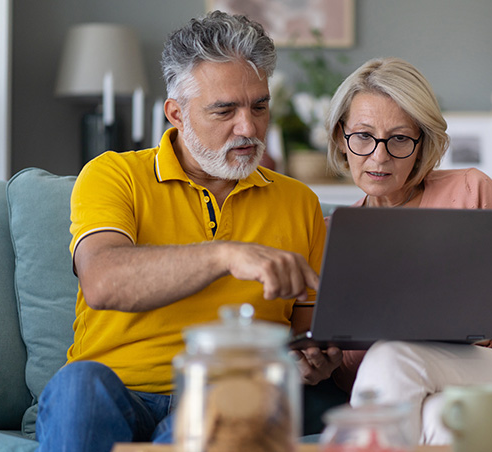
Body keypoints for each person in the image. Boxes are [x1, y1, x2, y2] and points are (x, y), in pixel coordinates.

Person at [35, 11, 343, 452]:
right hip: (112, 390)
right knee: (79, 385)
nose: (249, 128)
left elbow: (305, 334)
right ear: (176, 114)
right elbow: (102, 281)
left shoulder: (298, 202)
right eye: (224, 110)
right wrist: (225, 255)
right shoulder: (113, 174)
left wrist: (312, 364)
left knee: (239, 401)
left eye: (260, 106)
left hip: (224, 394)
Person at [324, 57, 492, 444]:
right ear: (341, 137)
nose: (379, 155)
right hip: (421, 397)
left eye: (400, 138)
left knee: (392, 355)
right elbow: (354, 374)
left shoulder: (469, 190)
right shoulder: (332, 236)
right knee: (443, 422)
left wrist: (470, 329)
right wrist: (330, 361)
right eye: (363, 136)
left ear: (423, 142)